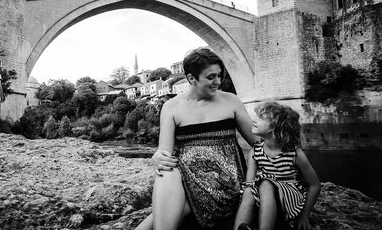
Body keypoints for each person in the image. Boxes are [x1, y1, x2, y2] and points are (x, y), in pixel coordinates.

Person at [135, 47, 259, 230]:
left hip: (225, 183)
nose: (217, 82)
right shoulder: (171, 107)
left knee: (163, 212)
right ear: (191, 78)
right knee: (166, 172)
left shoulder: (231, 101)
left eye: (219, 75)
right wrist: (158, 156)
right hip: (185, 179)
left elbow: (259, 143)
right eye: (211, 77)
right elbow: (165, 152)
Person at [234, 102, 320, 230]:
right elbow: (249, 183)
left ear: (275, 126)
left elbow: (315, 185)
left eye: (261, 118)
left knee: (265, 183)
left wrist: (304, 216)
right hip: (263, 200)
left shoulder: (293, 152)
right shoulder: (255, 151)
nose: (254, 121)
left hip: (288, 199)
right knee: (249, 189)